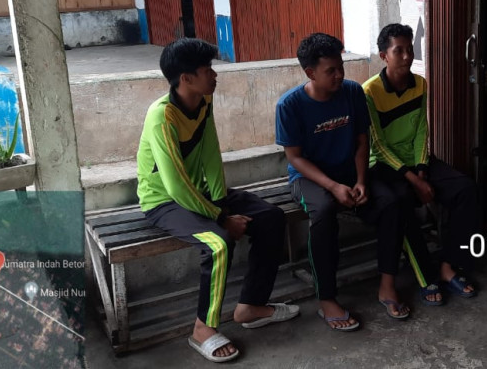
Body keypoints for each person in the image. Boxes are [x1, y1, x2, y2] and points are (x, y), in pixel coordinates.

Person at [137, 38, 297, 363]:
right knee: (218, 243)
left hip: (199, 194)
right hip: (163, 202)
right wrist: (221, 218)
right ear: (186, 78)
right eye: (207, 69)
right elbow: (175, 186)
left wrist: (221, 202)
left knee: (271, 217)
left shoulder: (203, 101)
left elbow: (211, 152)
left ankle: (251, 306)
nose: (214, 74)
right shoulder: (162, 116)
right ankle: (202, 329)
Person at [276, 32, 414, 328]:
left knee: (391, 202)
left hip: (351, 172)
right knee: (324, 211)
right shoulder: (290, 105)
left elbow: (362, 141)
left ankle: (387, 284)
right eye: (331, 71)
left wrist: (361, 180)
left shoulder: (352, 92)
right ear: (310, 73)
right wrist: (332, 186)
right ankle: (327, 299)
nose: (339, 75)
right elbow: (295, 158)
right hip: (309, 178)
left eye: (341, 67)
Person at [362, 23, 482, 305]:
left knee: (466, 189)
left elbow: (420, 131)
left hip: (417, 161)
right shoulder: (369, 92)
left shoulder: (420, 84)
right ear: (384, 56)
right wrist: (414, 180)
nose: (406, 56)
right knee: (401, 201)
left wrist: (422, 169)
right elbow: (378, 145)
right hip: (385, 165)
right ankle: (425, 276)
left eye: (410, 49)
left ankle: (449, 264)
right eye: (398, 51)